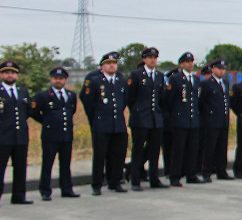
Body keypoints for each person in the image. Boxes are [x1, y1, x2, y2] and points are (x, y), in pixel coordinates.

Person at [81, 51, 129, 194]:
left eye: (114, 63)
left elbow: (125, 99)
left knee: (118, 154)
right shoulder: (95, 80)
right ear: (102, 66)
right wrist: (96, 118)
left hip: (118, 124)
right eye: (108, 64)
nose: (112, 66)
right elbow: (87, 101)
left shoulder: (121, 80)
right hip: (101, 124)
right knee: (100, 155)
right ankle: (97, 185)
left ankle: (115, 182)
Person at [30, 66, 80, 200]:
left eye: (61, 78)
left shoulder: (71, 95)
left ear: (65, 80)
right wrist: (46, 122)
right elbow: (34, 112)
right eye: (56, 78)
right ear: (51, 79)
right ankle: (45, 190)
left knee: (65, 164)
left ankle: (67, 189)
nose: (58, 81)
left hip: (66, 135)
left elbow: (72, 111)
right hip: (50, 136)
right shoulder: (43, 95)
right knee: (47, 164)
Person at [125, 47, 166, 190]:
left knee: (154, 150)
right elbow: (130, 98)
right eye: (150, 57)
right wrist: (137, 111)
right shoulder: (136, 75)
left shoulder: (160, 76)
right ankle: (135, 180)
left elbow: (161, 97)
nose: (153, 60)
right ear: (144, 59)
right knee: (138, 149)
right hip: (140, 118)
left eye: (155, 57)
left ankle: (154, 179)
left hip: (156, 118)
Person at [164, 52, 203, 186]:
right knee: (178, 150)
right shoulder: (175, 79)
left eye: (191, 61)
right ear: (181, 64)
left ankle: (191, 174)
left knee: (192, 149)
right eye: (187, 61)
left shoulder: (196, 80)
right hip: (180, 120)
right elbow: (168, 100)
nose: (190, 64)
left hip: (193, 120)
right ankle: (175, 176)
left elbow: (197, 100)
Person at [0, 60, 33, 205]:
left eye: (12, 72)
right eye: (6, 72)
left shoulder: (23, 92)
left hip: (20, 137)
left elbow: (27, 112)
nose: (10, 75)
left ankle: (19, 196)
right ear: (1, 74)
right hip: (2, 137)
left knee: (20, 168)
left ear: (17, 75)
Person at [199, 59, 233, 182]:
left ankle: (221, 171)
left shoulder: (225, 82)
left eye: (223, 69)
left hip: (223, 120)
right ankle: (206, 172)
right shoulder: (206, 83)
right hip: (211, 121)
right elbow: (200, 103)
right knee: (209, 148)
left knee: (222, 148)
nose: (221, 71)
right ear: (213, 69)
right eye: (219, 68)